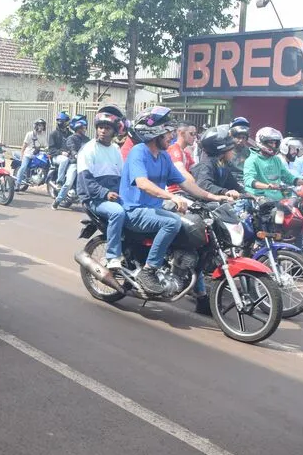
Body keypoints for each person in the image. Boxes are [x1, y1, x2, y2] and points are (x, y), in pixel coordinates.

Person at [119, 106, 229, 305]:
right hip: (135, 210)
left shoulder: (163, 157)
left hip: (155, 209)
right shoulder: (139, 152)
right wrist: (171, 197)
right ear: (156, 133)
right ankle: (149, 271)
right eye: (168, 132)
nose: (171, 136)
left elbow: (186, 183)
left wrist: (214, 197)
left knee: (195, 232)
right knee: (172, 223)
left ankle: (200, 294)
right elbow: (142, 183)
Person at [77, 107, 125, 269]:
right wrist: (105, 193)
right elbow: (86, 182)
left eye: (107, 128)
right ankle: (112, 256)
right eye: (100, 127)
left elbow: (122, 177)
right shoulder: (88, 149)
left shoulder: (116, 149)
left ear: (114, 131)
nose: (103, 131)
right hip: (94, 199)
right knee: (117, 213)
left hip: (114, 196)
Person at [243, 127, 303, 201]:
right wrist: (267, 186)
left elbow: (288, 177)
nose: (274, 146)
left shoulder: (276, 159)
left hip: (278, 200)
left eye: (275, 143)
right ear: (262, 142)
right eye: (271, 143)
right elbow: (248, 180)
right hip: (259, 200)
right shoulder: (252, 160)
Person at [190, 125, 243, 198]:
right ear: (222, 150)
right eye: (231, 149)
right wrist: (225, 192)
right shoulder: (206, 165)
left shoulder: (222, 164)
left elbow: (233, 185)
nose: (233, 153)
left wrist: (249, 195)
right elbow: (204, 185)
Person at [53, 115, 89, 209]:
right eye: (82, 127)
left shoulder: (87, 139)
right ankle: (57, 201)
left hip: (85, 164)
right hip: (74, 163)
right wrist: (75, 154)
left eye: (85, 127)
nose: (84, 129)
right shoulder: (71, 138)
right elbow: (71, 148)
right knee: (68, 183)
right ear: (78, 128)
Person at [14, 118, 48, 190]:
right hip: (28, 154)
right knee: (23, 167)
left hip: (38, 155)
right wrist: (22, 155)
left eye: (42, 125)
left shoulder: (43, 135)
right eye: (39, 125)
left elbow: (46, 146)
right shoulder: (30, 134)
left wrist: (48, 150)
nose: (41, 127)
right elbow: (24, 145)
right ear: (36, 126)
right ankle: (18, 183)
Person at [48, 112, 73, 180]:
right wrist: (61, 153)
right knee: (64, 160)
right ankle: (60, 181)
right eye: (59, 121)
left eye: (62, 121)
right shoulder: (53, 134)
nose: (60, 122)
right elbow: (51, 150)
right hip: (56, 157)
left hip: (69, 156)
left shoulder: (70, 134)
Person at [228, 117, 251, 184]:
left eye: (243, 138)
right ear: (232, 136)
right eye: (238, 137)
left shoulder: (249, 152)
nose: (241, 140)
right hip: (229, 182)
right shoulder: (226, 152)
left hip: (246, 182)